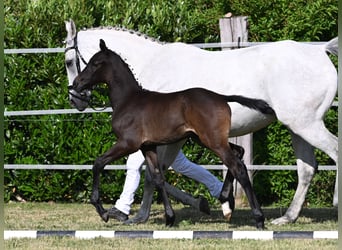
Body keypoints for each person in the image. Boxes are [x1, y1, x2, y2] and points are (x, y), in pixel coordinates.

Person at [108, 150, 223, 221]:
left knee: (133, 164)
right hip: (164, 132)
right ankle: (218, 188)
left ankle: (122, 208)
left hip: (156, 134)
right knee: (182, 165)